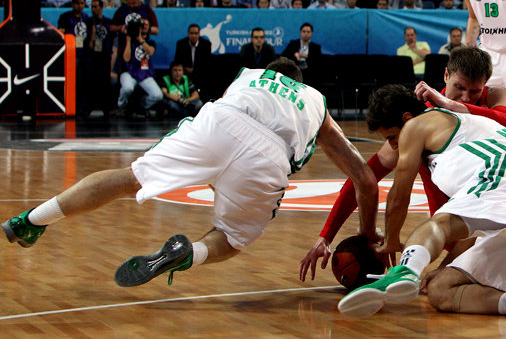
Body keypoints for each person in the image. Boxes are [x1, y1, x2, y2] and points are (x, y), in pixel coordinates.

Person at [1, 58, 379, 291]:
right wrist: (366, 236)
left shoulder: (248, 76)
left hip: (222, 122)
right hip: (270, 155)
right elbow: (364, 178)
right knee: (231, 239)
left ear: (270, 73)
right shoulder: (316, 102)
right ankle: (186, 255)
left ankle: (31, 220)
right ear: (299, 80)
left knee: (131, 177)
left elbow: (229, 138)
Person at [300, 47, 506, 296]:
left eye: (476, 91)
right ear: (445, 76)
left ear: (486, 85)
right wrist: (326, 235)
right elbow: (365, 176)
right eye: (460, 88)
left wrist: (452, 104)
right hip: (468, 215)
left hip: (502, 195)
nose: (469, 95)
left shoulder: (483, 99)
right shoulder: (416, 120)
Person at [336, 84, 506, 322]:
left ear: (407, 117)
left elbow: (398, 196)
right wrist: (443, 266)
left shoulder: (417, 126)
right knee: (442, 290)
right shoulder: (455, 132)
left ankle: (404, 272)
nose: (393, 146)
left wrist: (391, 243)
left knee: (438, 224)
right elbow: (472, 230)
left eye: (391, 137)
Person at [118, 18, 163, 116]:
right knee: (127, 88)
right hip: (130, 72)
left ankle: (140, 106)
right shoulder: (129, 40)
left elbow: (150, 52)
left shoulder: (150, 42)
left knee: (158, 95)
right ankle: (121, 106)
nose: (144, 26)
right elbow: (126, 58)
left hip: (145, 73)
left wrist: (140, 40)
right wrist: (129, 41)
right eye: (142, 24)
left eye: (147, 24)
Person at [58, 0, 90, 116]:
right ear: (72, 4)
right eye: (77, 3)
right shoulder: (65, 17)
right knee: (75, 81)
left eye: (82, 3)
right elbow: (61, 34)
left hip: (84, 55)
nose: (80, 6)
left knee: (84, 82)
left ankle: (82, 108)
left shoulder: (86, 17)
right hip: (72, 55)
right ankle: (72, 107)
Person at [86, 0, 114, 118]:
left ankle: (106, 108)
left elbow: (112, 38)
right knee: (91, 83)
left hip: (104, 55)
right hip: (92, 56)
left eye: (96, 6)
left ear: (102, 7)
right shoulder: (88, 22)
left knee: (105, 83)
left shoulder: (108, 22)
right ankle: (88, 108)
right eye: (92, 7)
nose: (94, 9)